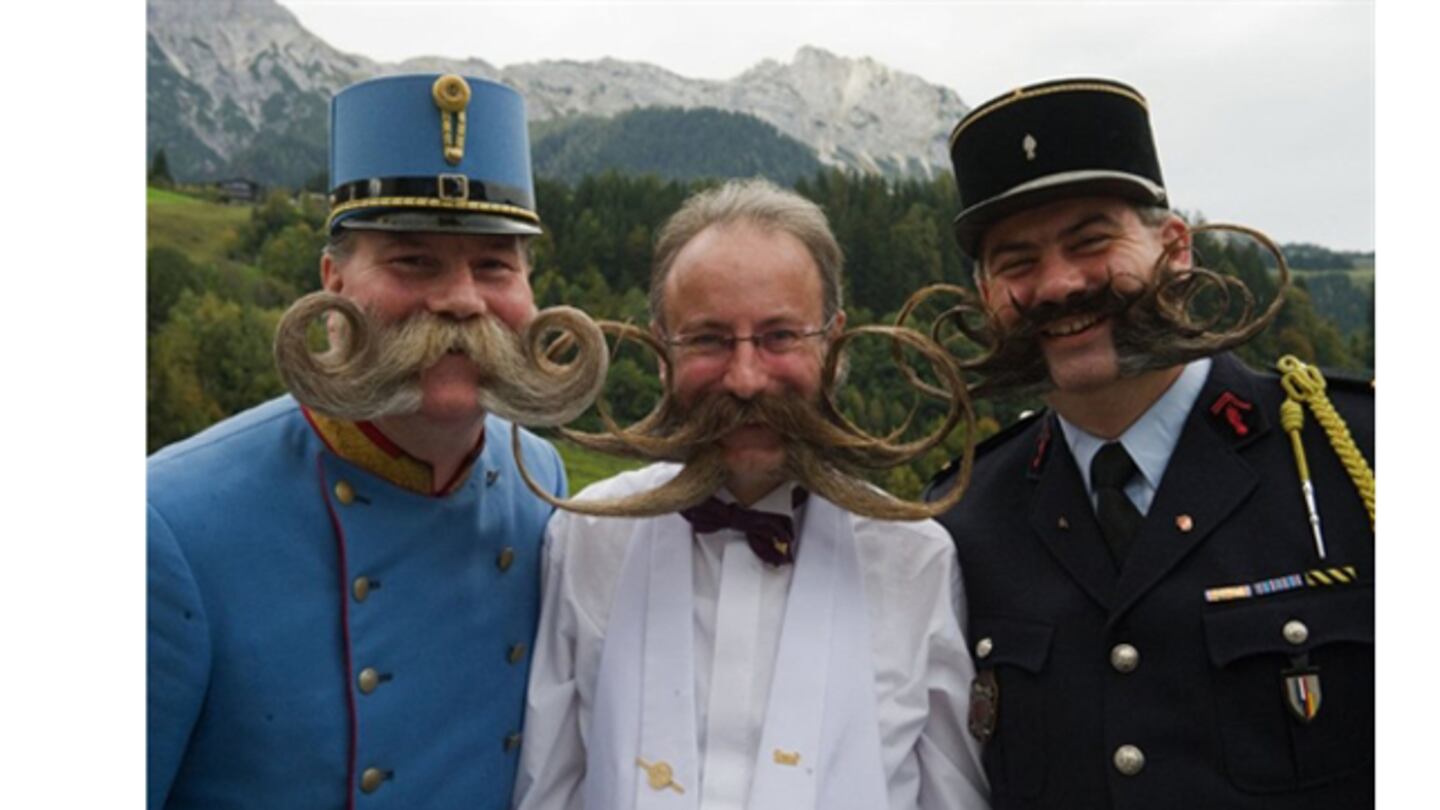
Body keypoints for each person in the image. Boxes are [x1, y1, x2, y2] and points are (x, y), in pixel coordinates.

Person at [925, 78, 1374, 809]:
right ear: (984, 294)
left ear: (1175, 248)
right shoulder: (960, 519)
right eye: (1016, 262)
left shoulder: (1358, 456)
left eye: (1091, 242)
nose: (1058, 285)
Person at [148, 74, 588, 809]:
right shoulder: (166, 523)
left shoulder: (537, 474)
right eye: (413, 261)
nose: (461, 298)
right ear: (334, 283)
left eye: (494, 265)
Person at [512, 179, 990, 810]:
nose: (744, 378)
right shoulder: (588, 538)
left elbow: (953, 797)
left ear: (834, 341)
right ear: (661, 351)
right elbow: (550, 786)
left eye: (780, 336)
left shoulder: (915, 557)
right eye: (708, 338)